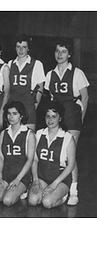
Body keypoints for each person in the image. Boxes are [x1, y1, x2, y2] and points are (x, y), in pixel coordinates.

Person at [45, 39, 89, 206]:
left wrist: (80, 119)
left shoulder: (77, 73)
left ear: (69, 54)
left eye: (63, 51)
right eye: (57, 51)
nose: (59, 54)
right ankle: (60, 189)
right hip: (57, 115)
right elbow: (50, 98)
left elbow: (85, 98)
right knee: (58, 154)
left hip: (72, 115)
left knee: (70, 155)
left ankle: (74, 191)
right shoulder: (50, 74)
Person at [28, 101, 76, 208]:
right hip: (42, 176)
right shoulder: (39, 134)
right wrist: (35, 180)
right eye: (48, 116)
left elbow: (71, 165)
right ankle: (45, 192)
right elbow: (34, 160)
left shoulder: (67, 137)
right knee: (32, 201)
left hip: (60, 179)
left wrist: (55, 184)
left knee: (47, 203)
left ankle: (63, 196)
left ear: (60, 118)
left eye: (54, 116)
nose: (50, 120)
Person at [0, 101, 36, 206]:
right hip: (6, 173)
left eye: (15, 114)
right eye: (9, 113)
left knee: (7, 201)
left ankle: (23, 189)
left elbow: (30, 159)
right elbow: (0, 156)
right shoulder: (3, 133)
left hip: (21, 175)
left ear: (21, 116)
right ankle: (11, 191)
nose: (11, 117)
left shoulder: (29, 134)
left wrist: (18, 179)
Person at [8, 34, 45, 131]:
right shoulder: (10, 64)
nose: (21, 50)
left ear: (28, 49)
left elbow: (40, 88)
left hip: (28, 106)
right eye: (18, 47)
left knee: (28, 139)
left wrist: (33, 107)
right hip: (13, 107)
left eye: (24, 47)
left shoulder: (37, 64)